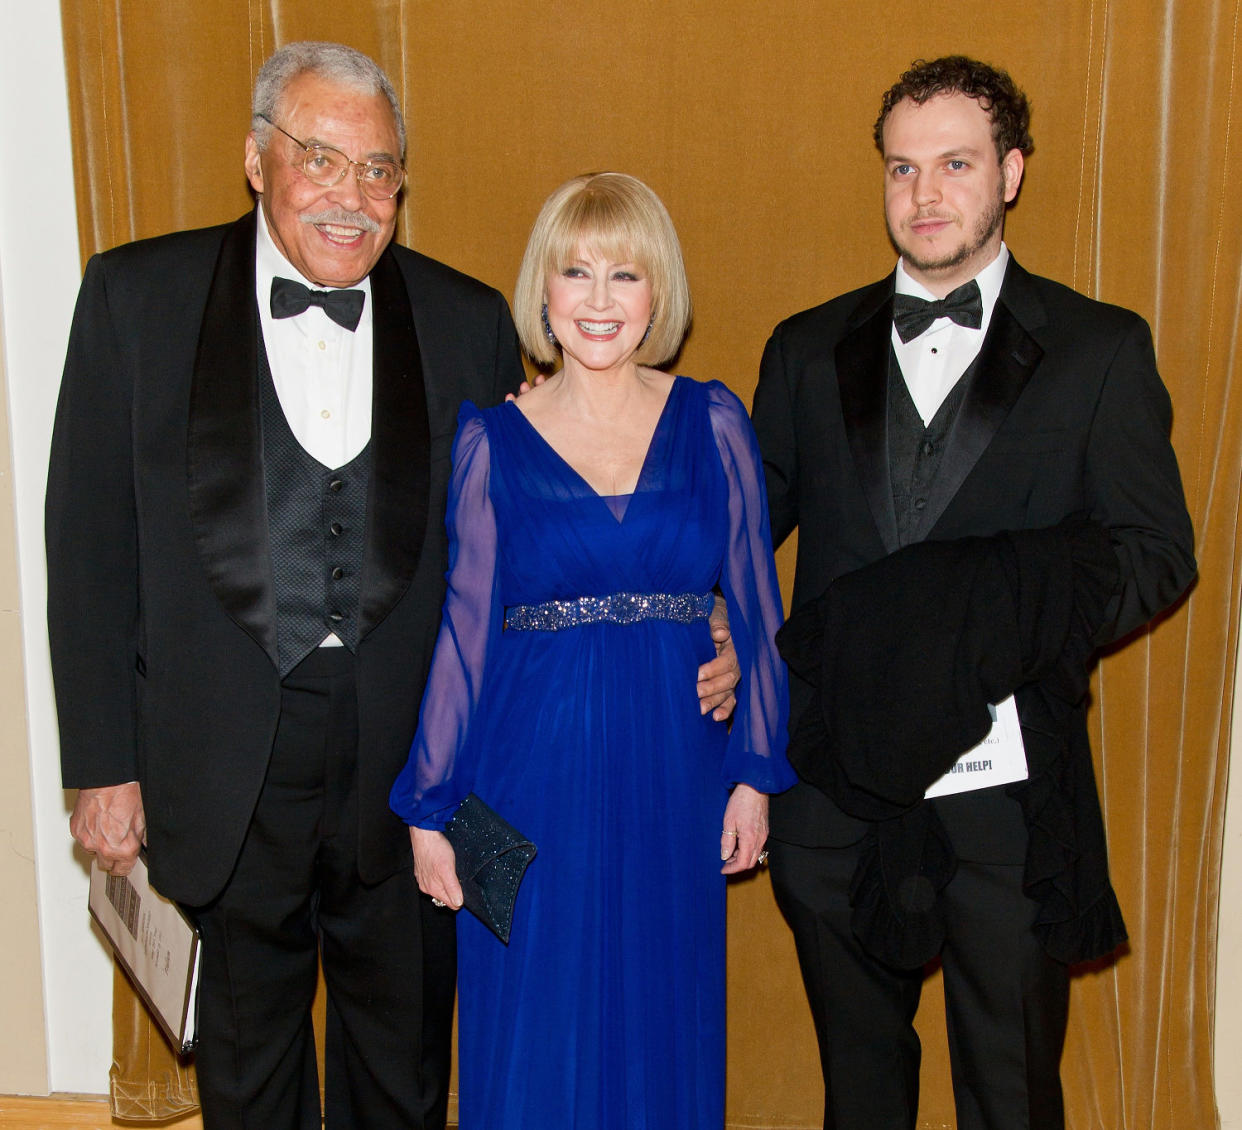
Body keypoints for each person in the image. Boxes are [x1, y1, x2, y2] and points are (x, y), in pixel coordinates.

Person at [45, 41, 528, 1130]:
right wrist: (102, 765)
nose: (351, 195)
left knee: (400, 1067)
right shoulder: (135, 299)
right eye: (320, 157)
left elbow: (518, 557)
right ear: (257, 158)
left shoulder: (469, 321)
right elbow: (87, 552)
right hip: (220, 760)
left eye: (378, 169)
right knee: (248, 1069)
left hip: (412, 769)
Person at [750, 56, 1196, 1130]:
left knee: (1011, 1089)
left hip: (1007, 780)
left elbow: (1155, 550)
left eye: (954, 163)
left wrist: (999, 612)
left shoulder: (1100, 348)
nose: (925, 194)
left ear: (1012, 172)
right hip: (837, 785)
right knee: (859, 1089)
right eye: (903, 168)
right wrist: (580, 447)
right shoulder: (808, 350)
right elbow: (729, 533)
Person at [390, 171, 795, 1130]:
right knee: (532, 1027)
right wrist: (427, 804)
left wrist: (753, 774)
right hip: (523, 776)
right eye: (576, 273)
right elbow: (464, 626)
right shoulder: (490, 439)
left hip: (674, 773)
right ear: (544, 293)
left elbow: (760, 610)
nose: (600, 300)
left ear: (660, 295)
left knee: (664, 1019)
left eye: (626, 274)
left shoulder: (715, 422)